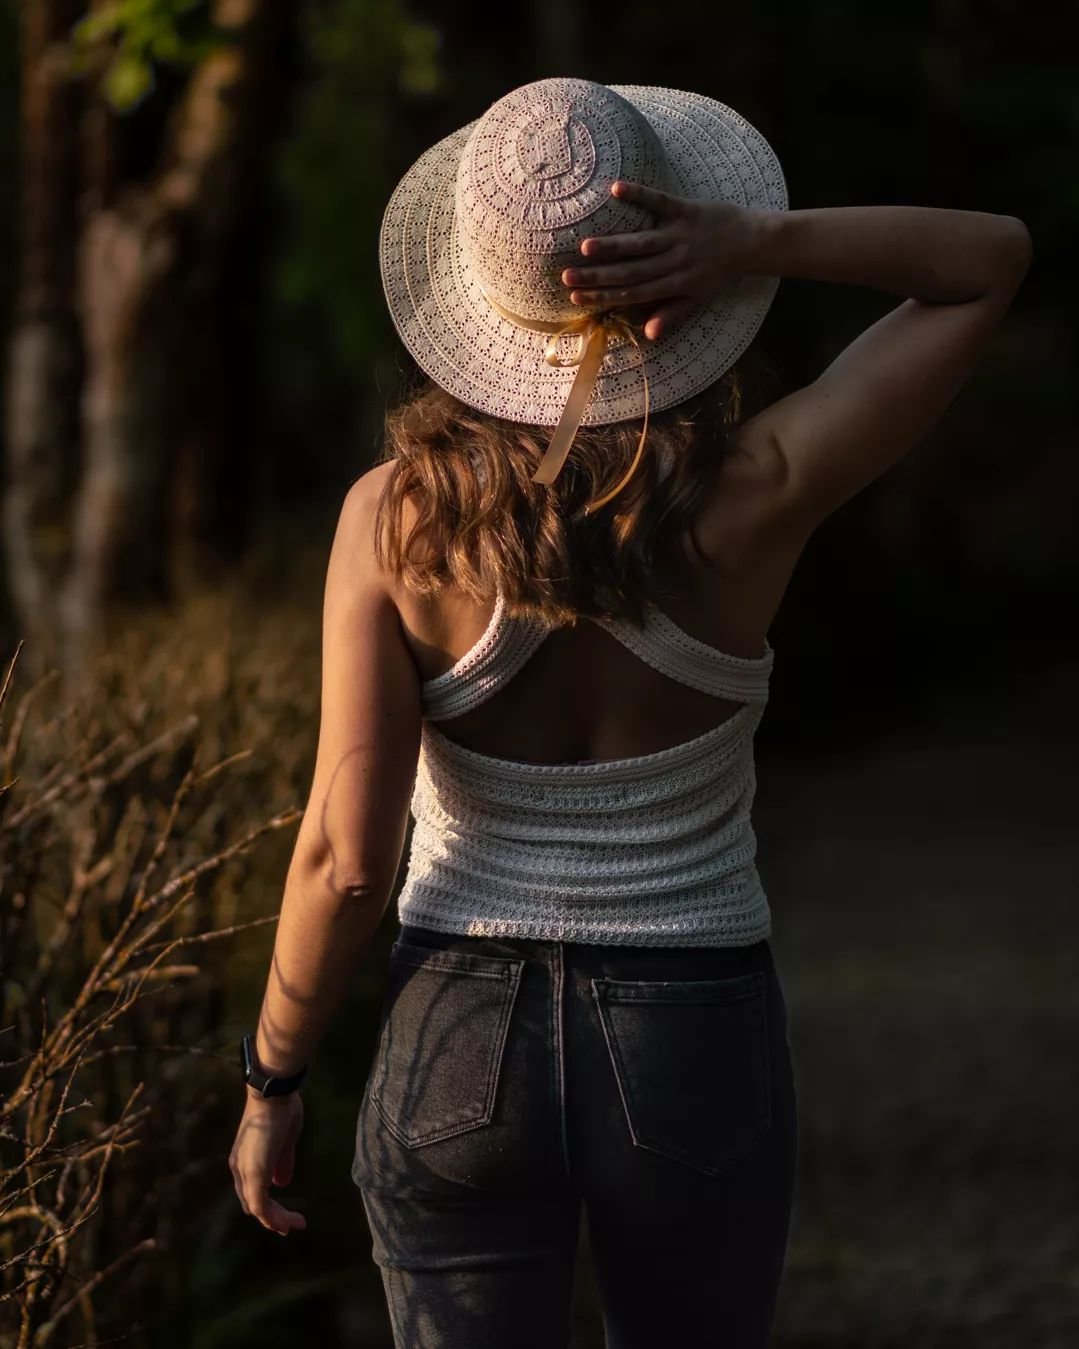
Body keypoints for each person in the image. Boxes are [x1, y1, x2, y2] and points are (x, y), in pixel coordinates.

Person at [228, 77, 1031, 1348]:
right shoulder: (758, 485)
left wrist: (272, 1075)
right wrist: (753, 237)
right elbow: (987, 261)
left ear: (475, 297)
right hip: (691, 1026)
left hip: (457, 1034)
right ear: (675, 268)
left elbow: (341, 856)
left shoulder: (393, 521)